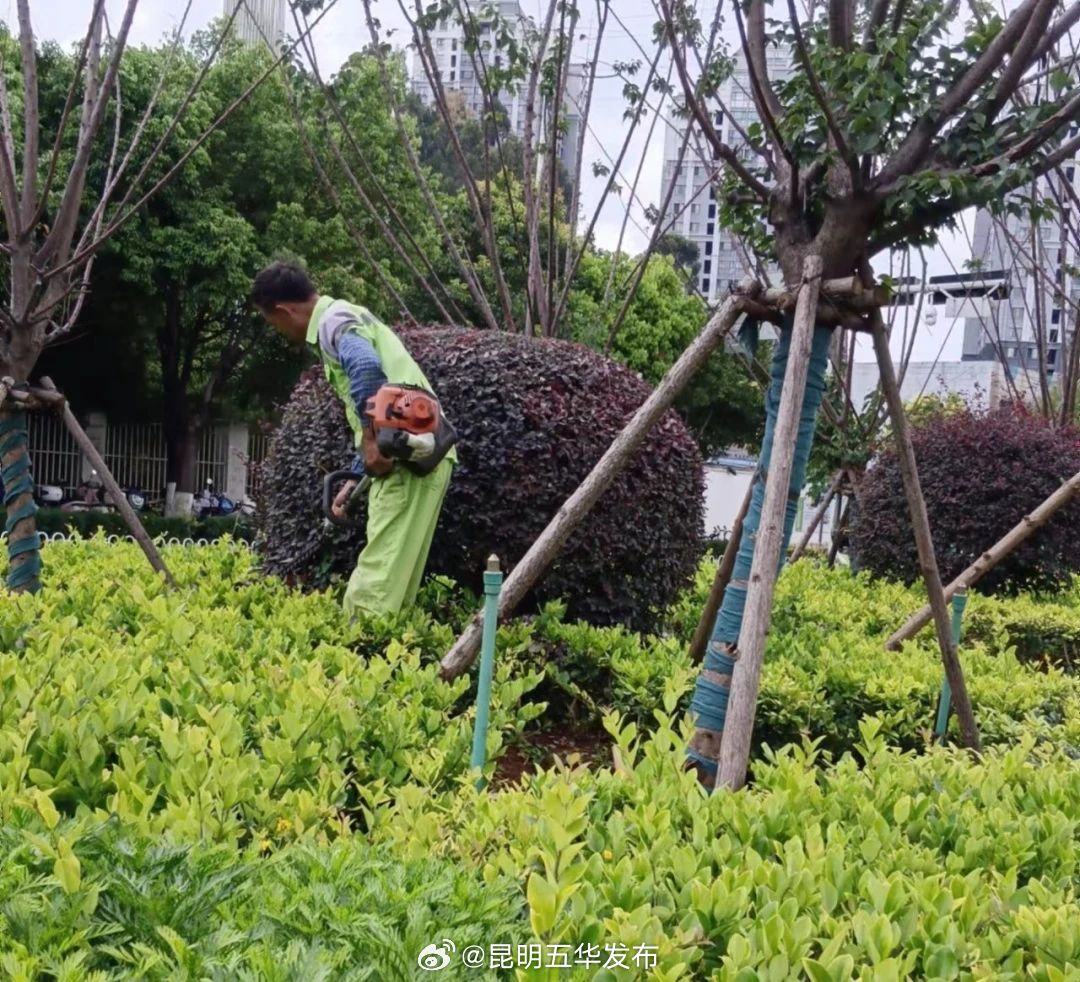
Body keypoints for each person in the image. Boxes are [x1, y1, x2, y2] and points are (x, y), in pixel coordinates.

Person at [250, 260, 454, 618]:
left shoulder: (332, 322)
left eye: (273, 323)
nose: (279, 331)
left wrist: (374, 443)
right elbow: (376, 399)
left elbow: (365, 368)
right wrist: (357, 474)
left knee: (373, 591)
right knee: (395, 586)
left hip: (408, 461)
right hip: (424, 453)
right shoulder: (346, 315)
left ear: (283, 310)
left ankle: (355, 665)